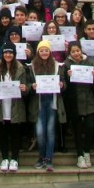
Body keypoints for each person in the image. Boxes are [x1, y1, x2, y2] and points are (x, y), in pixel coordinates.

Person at [29, 40, 65, 172]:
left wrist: (62, 85)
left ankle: (48, 158)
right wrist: (31, 87)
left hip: (52, 102)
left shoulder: (57, 66)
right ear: (38, 52)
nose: (44, 52)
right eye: (41, 50)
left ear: (50, 52)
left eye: (46, 50)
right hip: (38, 103)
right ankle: (41, 156)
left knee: (50, 131)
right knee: (40, 132)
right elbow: (28, 84)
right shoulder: (32, 66)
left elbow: (63, 82)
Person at [0, 42, 28, 172]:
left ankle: (15, 159)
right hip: (1, 105)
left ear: (14, 54)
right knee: (3, 134)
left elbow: (26, 87)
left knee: (15, 134)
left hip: (15, 105)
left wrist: (25, 88)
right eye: (6, 52)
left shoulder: (20, 68)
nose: (8, 55)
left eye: (10, 53)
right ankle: (5, 158)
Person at [64, 42, 94, 169]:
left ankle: (87, 151)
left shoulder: (89, 62)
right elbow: (65, 86)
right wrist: (68, 78)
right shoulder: (66, 65)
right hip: (75, 101)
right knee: (77, 129)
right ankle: (80, 155)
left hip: (88, 100)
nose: (76, 53)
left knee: (89, 127)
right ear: (70, 53)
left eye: (78, 51)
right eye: (73, 52)